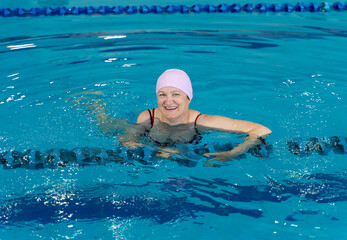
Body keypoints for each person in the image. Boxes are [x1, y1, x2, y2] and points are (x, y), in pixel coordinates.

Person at [120, 69, 272, 162]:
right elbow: (128, 143)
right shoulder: (147, 119)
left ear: (188, 98)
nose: (168, 101)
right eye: (162, 95)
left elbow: (262, 130)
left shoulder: (202, 122)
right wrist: (168, 153)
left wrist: (232, 153)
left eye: (176, 94)